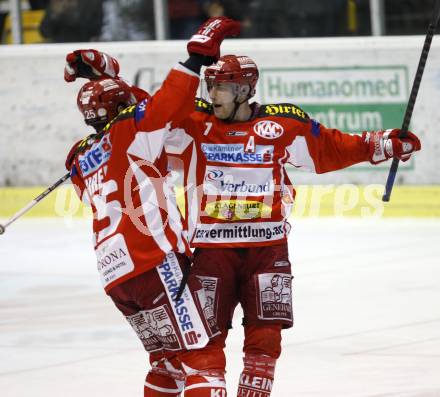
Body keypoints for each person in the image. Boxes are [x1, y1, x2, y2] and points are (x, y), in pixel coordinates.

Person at [66, 51, 421, 396]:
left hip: (267, 250)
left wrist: (383, 145)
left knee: (265, 343)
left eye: (221, 87)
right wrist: (108, 81)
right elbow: (152, 112)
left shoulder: (284, 124)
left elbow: (330, 148)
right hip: (210, 254)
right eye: (209, 85)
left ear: (246, 89)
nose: (212, 94)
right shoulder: (193, 121)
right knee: (204, 346)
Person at [63, 17, 240, 397]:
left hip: (116, 275)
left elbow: (139, 115)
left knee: (167, 363)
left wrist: (109, 80)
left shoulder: (78, 159)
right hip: (153, 259)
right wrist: (195, 57)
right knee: (202, 352)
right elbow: (166, 104)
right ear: (120, 109)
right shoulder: (132, 129)